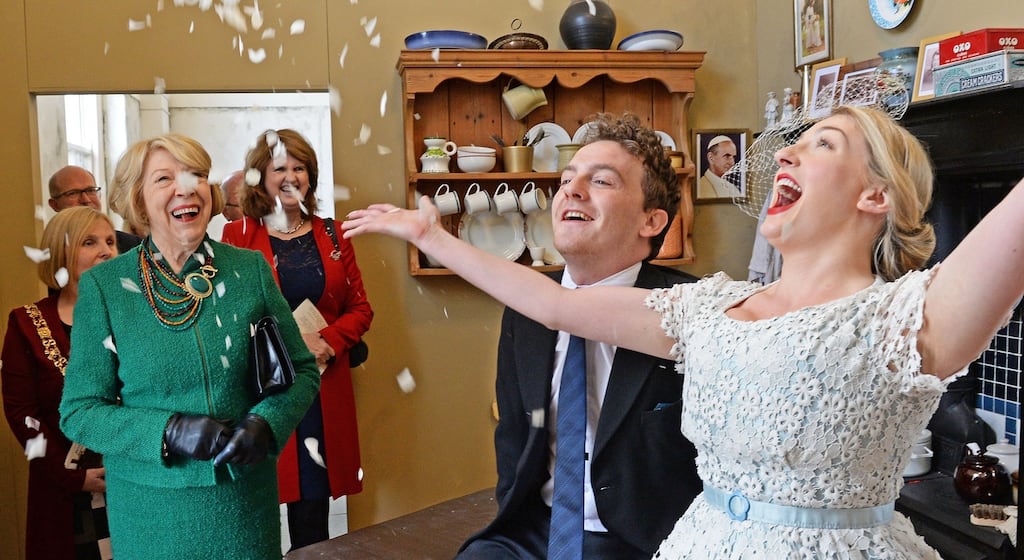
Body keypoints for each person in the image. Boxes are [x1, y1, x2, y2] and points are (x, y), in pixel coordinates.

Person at [342, 106, 1024, 558]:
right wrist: (435, 238)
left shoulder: (907, 320)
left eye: (822, 144)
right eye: (794, 142)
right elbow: (551, 307)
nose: (785, 155)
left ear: (875, 196)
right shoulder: (709, 309)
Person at [59, 134, 320, 559]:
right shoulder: (105, 289)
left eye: (196, 174)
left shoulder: (249, 271)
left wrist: (266, 424)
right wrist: (168, 431)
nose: (187, 188)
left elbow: (302, 372)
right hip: (150, 513)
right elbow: (80, 411)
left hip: (242, 508)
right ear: (139, 202)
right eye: (165, 178)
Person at [454, 115, 702, 560]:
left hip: (647, 542)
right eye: (567, 179)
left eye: (601, 181)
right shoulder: (524, 307)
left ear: (651, 220)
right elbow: (514, 433)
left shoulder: (690, 308)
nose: (571, 189)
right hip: (532, 531)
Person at [222, 128, 373, 551]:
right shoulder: (237, 236)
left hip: (321, 388)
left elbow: (362, 310)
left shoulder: (334, 234)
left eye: (300, 167)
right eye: (280, 168)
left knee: (312, 507)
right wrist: (289, 342)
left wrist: (324, 340)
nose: (292, 176)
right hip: (263, 389)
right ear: (260, 178)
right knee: (262, 498)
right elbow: (229, 315)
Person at [2, 206, 116, 560]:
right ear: (61, 253)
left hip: (133, 482)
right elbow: (23, 414)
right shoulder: (26, 324)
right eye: (89, 242)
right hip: (64, 494)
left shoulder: (136, 315)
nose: (107, 251)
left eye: (111, 241)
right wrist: (72, 478)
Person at [48, 165, 141, 254]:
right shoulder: (49, 252)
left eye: (91, 190)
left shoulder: (134, 246)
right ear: (55, 205)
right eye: (73, 193)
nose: (86, 200)